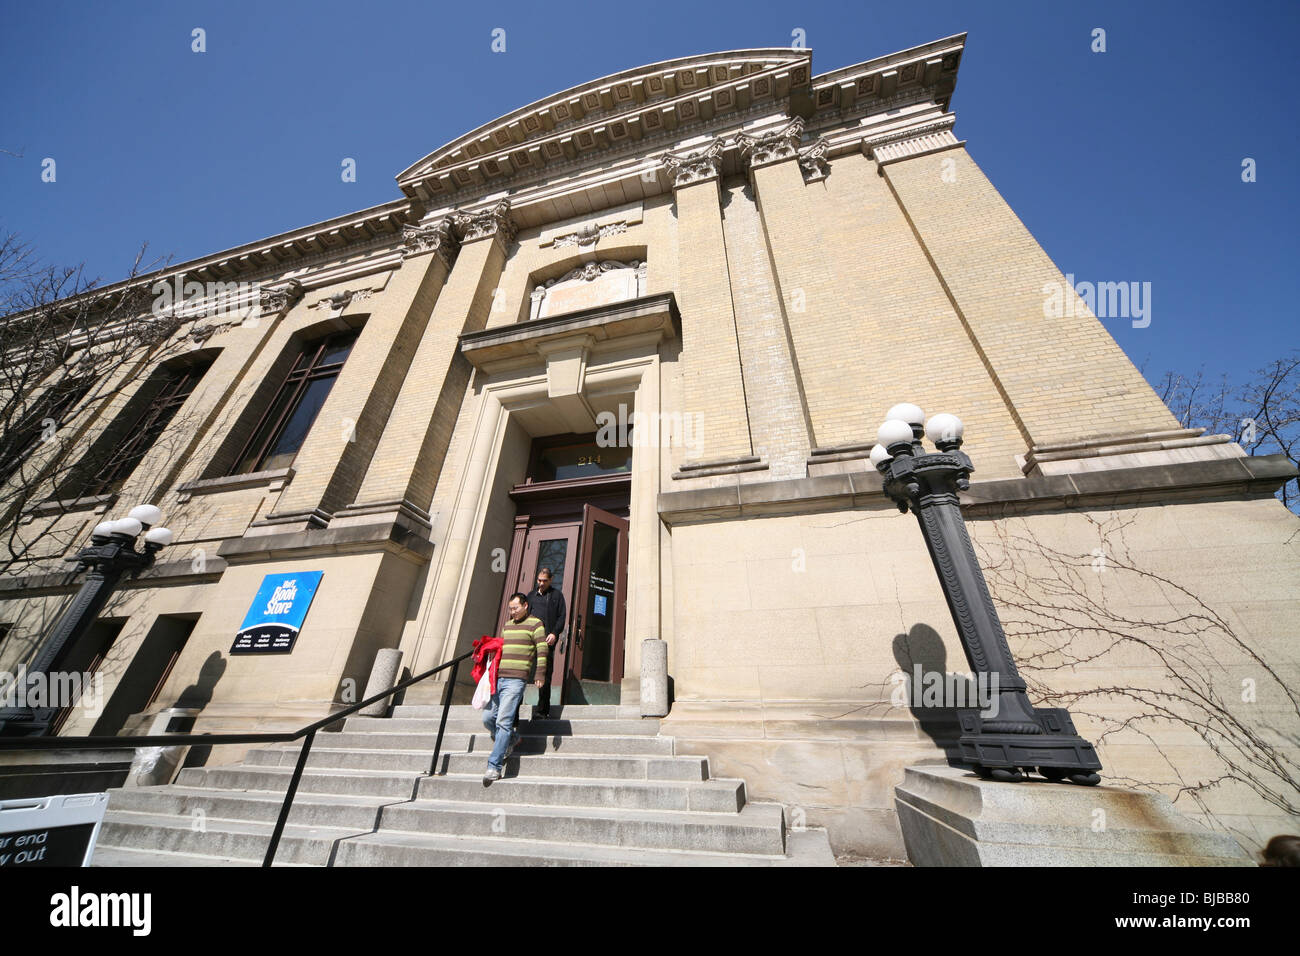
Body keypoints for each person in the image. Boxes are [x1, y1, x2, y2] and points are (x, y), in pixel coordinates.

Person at [482, 592, 547, 783]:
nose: (512, 612)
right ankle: (512, 739)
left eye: (515, 608)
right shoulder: (508, 626)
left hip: (516, 680)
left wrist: (540, 673)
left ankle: (494, 766)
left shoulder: (536, 624)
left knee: (503, 721)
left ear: (525, 605)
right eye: (510, 609)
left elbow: (542, 649)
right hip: (499, 678)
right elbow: (500, 649)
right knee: (488, 718)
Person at [526, 566, 566, 718]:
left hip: (546, 641)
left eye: (544, 581)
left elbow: (562, 616)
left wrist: (555, 633)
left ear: (550, 580)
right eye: (539, 580)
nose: (541, 583)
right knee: (525, 672)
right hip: (530, 641)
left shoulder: (557, 596)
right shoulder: (531, 596)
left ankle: (542, 710)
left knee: (544, 675)